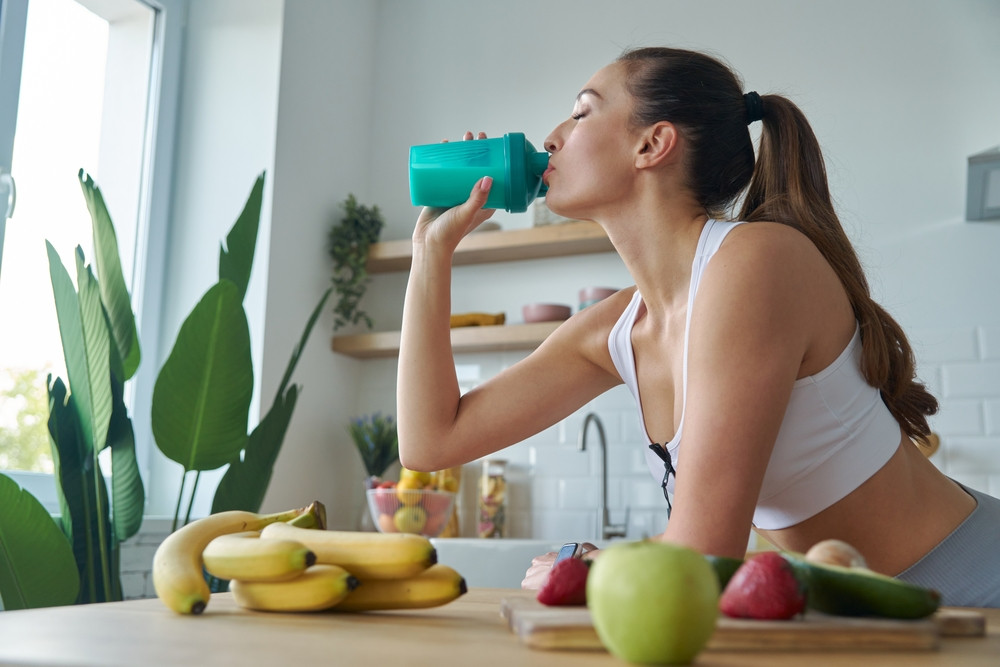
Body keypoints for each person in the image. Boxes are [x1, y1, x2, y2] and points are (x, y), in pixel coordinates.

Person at [396, 47, 1000, 607]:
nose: (551, 137)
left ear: (652, 144)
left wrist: (589, 567)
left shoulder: (754, 261)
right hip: (863, 607)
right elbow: (431, 442)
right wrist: (431, 253)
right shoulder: (616, 328)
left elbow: (704, 551)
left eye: (581, 114)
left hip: (973, 578)